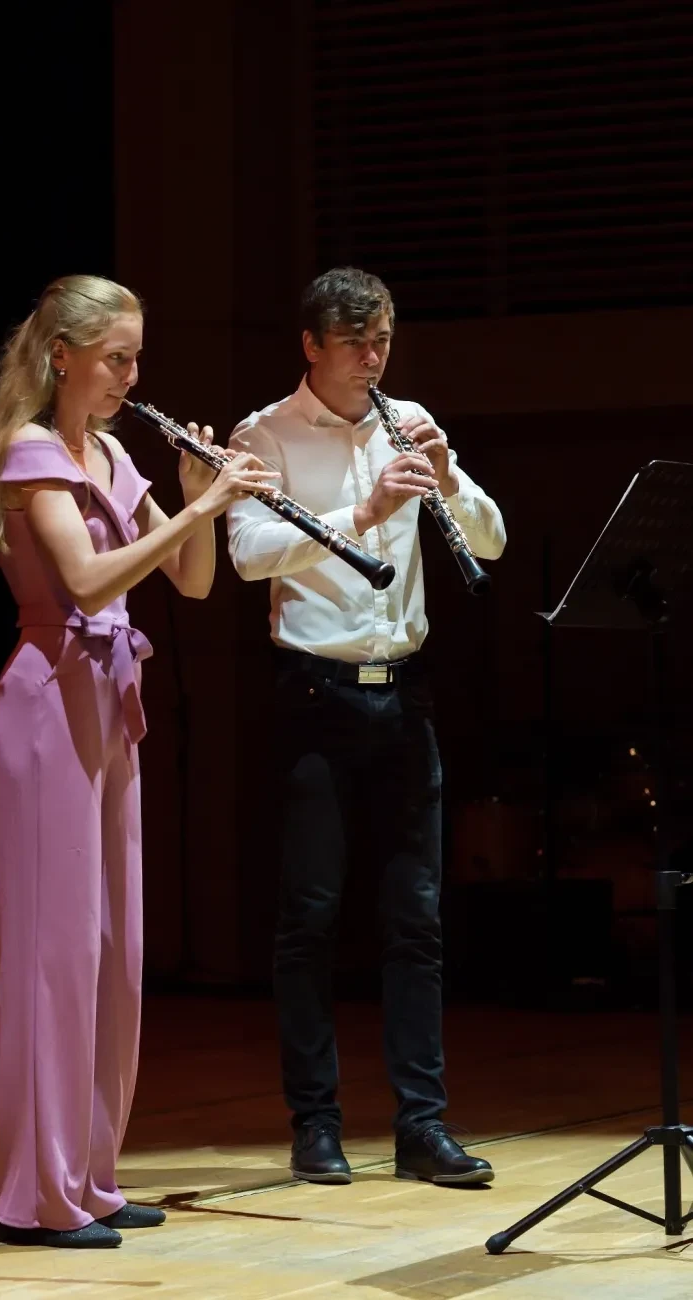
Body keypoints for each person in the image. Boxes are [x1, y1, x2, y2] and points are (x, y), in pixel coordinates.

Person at [0, 275, 272, 1248]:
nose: (132, 377)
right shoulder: (29, 453)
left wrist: (199, 502)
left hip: (106, 706)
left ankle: (87, 1178)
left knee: (111, 955)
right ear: (62, 356)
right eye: (116, 359)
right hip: (46, 705)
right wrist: (202, 504)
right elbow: (89, 583)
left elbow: (191, 582)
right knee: (52, 959)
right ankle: (33, 1197)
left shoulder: (112, 452)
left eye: (137, 359)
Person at [226, 266, 506, 1188]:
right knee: (310, 917)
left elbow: (493, 539)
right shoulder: (264, 434)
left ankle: (422, 1124)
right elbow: (248, 554)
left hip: (406, 695)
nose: (372, 358)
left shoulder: (407, 419)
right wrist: (366, 511)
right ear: (311, 345)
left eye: (382, 340)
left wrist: (449, 478)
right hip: (316, 695)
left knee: (416, 919)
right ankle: (315, 1123)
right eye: (354, 343)